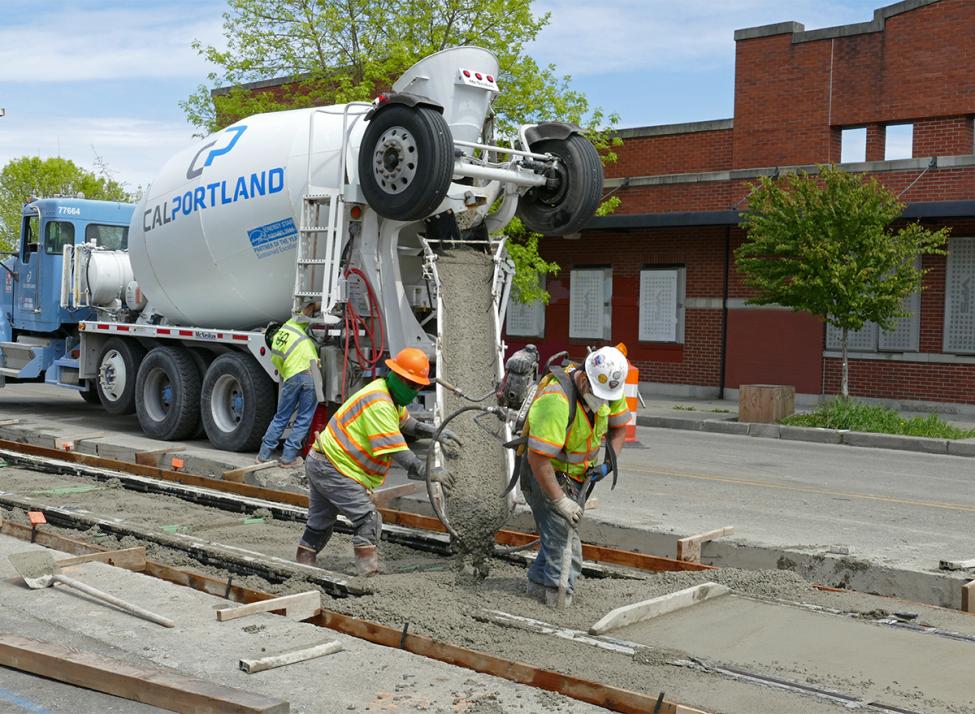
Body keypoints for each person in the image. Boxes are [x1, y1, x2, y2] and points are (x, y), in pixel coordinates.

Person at [296, 347, 460, 575]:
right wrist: (431, 472)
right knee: (368, 519)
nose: (414, 391)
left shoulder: (389, 394)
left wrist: (436, 432)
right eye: (411, 385)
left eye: (418, 386)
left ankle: (302, 566)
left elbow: (409, 425)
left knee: (321, 521)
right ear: (397, 377)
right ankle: (367, 575)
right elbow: (402, 456)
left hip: (324, 461)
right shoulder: (380, 404)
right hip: (335, 467)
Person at [522, 346, 629, 606]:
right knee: (566, 544)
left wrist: (608, 464)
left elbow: (618, 428)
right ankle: (559, 601)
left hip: (577, 478)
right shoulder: (557, 400)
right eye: (597, 395)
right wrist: (560, 501)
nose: (603, 402)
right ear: (583, 378)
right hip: (545, 474)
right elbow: (538, 458)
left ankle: (536, 586)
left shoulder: (608, 387)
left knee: (556, 536)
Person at [257, 303, 321, 468]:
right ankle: (288, 459)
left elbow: (283, 372)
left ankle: (263, 455)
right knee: (303, 418)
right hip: (310, 373)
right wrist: (318, 304)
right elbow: (307, 310)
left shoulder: (275, 350)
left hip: (292, 378)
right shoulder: (291, 325)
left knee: (281, 417)